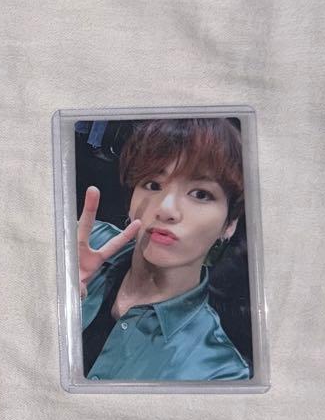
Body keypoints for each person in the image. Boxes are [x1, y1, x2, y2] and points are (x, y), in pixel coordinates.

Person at [77, 118, 250, 381]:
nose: (166, 208)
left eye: (200, 194)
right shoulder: (83, 243)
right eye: (153, 185)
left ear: (230, 224)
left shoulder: (219, 373)